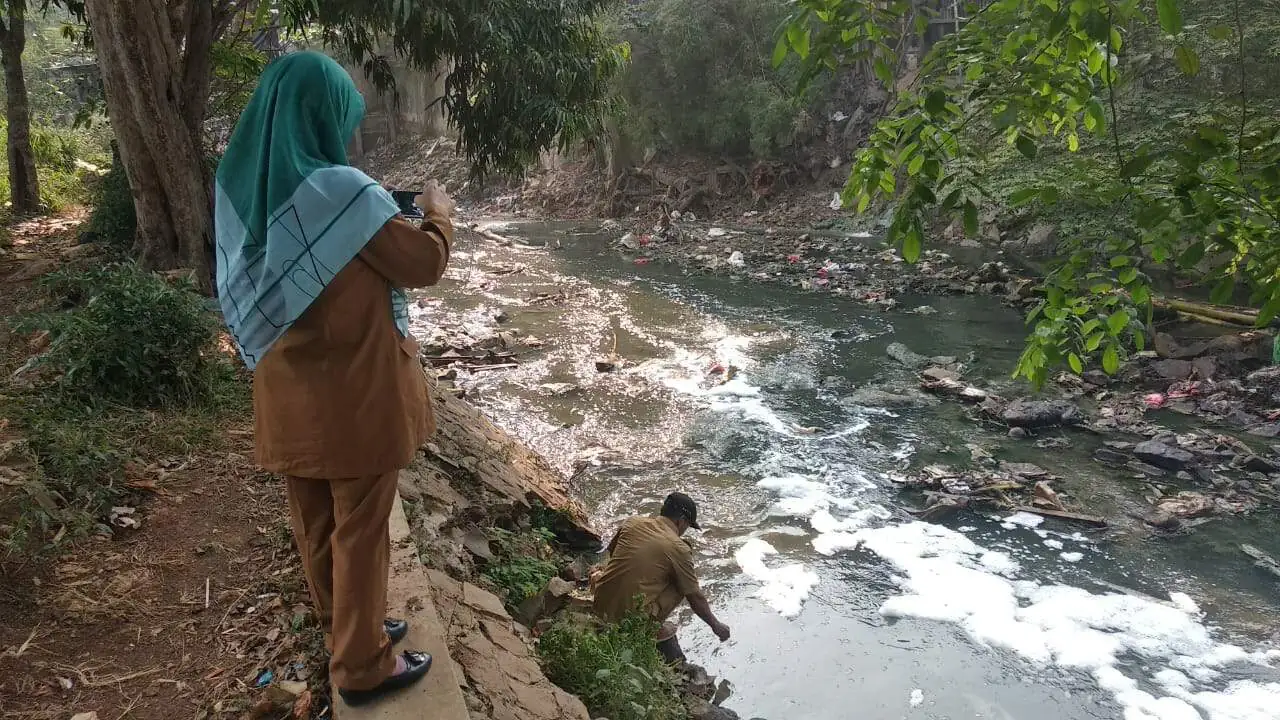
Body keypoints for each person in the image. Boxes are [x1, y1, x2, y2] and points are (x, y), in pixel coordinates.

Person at [213, 51, 454, 706]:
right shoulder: (344, 194)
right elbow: (422, 263)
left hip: (288, 394)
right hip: (358, 398)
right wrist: (437, 213)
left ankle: (344, 629)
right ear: (323, 115)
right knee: (362, 529)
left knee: (315, 523)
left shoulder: (238, 193)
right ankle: (362, 667)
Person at [591, 492, 731, 664]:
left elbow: (613, 552)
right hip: (627, 622)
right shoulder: (678, 548)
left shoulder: (632, 522)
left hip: (599, 602)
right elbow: (695, 596)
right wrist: (716, 626)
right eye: (687, 526)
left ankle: (621, 610)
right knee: (682, 583)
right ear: (681, 521)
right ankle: (648, 628)